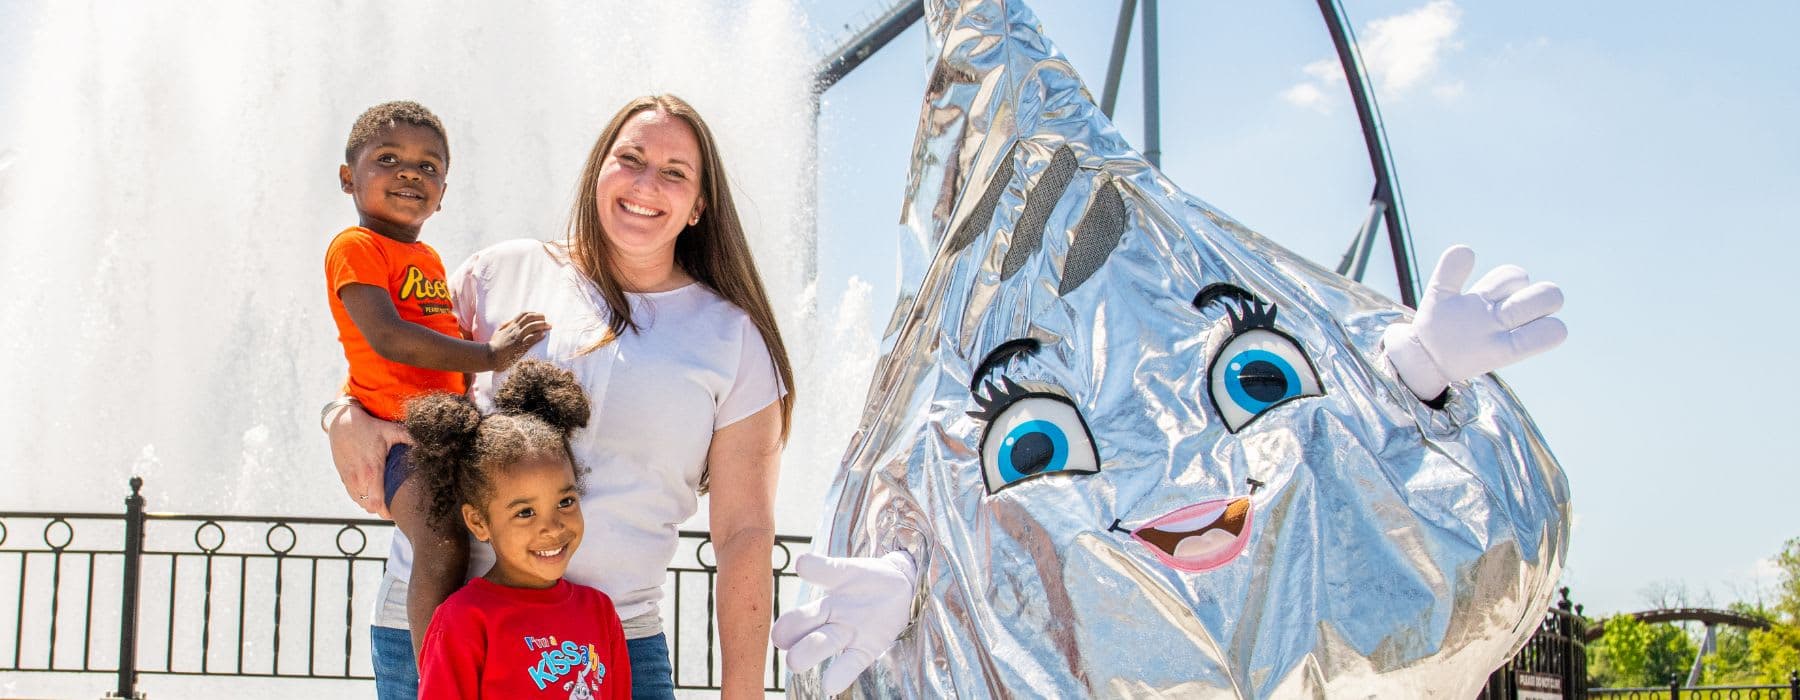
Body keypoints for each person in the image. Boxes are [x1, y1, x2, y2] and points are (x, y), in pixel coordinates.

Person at [325, 94, 794, 700]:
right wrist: (338, 414)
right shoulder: (500, 271)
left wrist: (744, 693)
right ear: (598, 170)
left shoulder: (733, 337)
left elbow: (745, 533)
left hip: (611, 647)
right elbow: (389, 364)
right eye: (630, 158)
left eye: (675, 172)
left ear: (699, 205)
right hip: (452, 638)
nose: (647, 183)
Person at [322, 101, 551, 693]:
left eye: (428, 167)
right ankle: (438, 677)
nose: (408, 173)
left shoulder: (424, 257)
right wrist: (490, 356)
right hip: (403, 435)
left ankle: (481, 644)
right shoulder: (356, 245)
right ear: (348, 177)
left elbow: (434, 336)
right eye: (388, 159)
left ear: (444, 193)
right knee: (442, 537)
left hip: (442, 429)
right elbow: (389, 338)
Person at [410, 361, 631, 699]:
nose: (552, 527)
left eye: (566, 502)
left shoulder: (599, 612)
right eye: (526, 512)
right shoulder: (464, 620)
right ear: (479, 523)